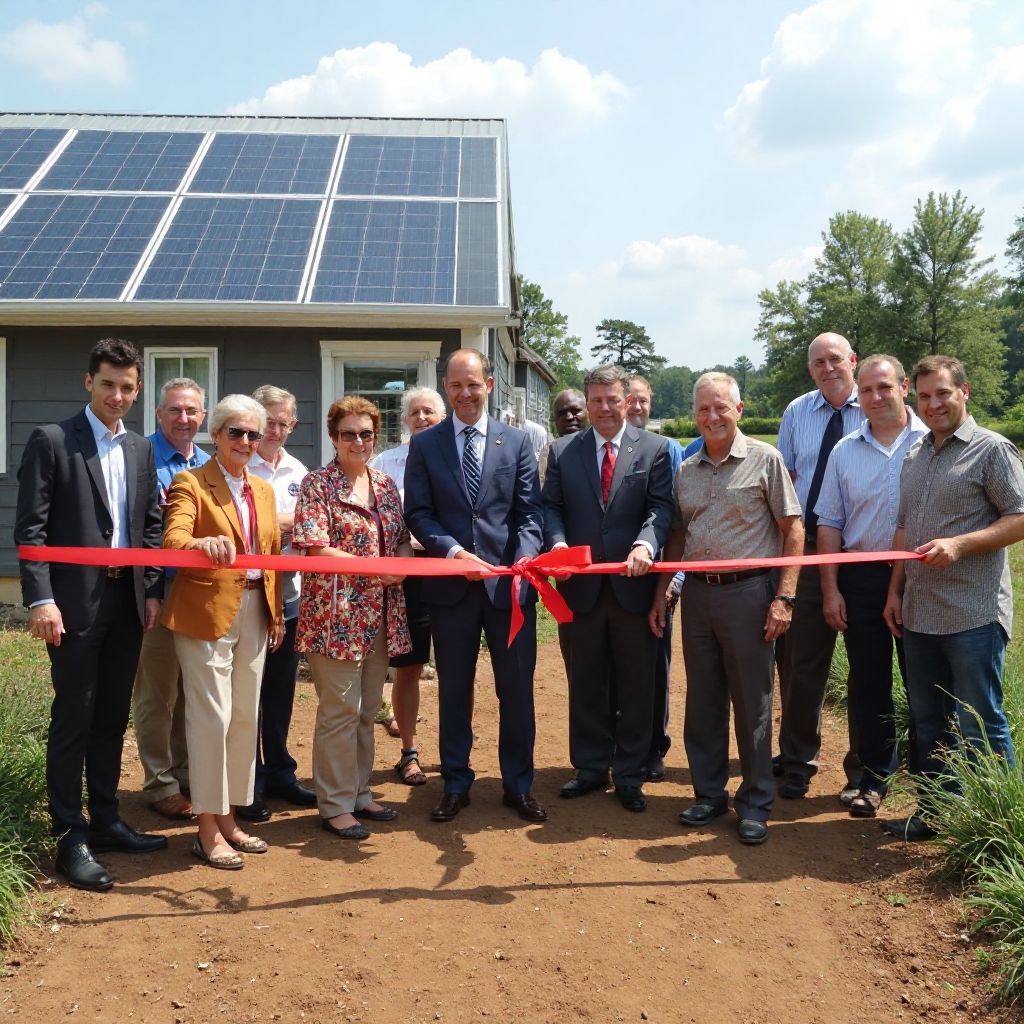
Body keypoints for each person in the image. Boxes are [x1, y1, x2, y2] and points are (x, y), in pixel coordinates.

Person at [15, 338, 167, 892]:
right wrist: (41, 598)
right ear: (89, 382)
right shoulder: (53, 441)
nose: (118, 396)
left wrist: (151, 590)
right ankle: (69, 835)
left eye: (128, 387)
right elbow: (30, 530)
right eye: (108, 384)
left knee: (110, 717)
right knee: (74, 718)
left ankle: (105, 819)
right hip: (73, 605)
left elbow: (149, 527)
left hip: (126, 604)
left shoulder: (141, 450)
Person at [652, 372, 803, 845]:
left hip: (750, 595)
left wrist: (784, 596)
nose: (712, 417)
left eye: (721, 408)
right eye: (703, 409)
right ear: (693, 415)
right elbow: (677, 536)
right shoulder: (686, 469)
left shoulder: (765, 459)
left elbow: (793, 529)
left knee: (752, 702)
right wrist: (663, 594)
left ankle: (755, 801)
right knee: (703, 700)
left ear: (739, 409)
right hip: (697, 596)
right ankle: (709, 793)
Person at [882, 355, 1024, 840]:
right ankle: (939, 814)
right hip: (920, 613)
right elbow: (905, 527)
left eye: (942, 393)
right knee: (928, 720)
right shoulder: (917, 453)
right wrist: (895, 591)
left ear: (964, 392)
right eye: (923, 396)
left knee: (980, 719)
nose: (933, 404)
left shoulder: (992, 450)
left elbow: (1020, 517)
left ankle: (998, 826)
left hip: (972, 613)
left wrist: (960, 545)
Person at [404, 348, 547, 824]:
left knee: (516, 690)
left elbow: (529, 513)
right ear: (446, 387)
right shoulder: (426, 445)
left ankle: (518, 785)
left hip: (509, 590)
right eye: (456, 385)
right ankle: (456, 784)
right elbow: (418, 513)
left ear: (490, 385)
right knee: (454, 690)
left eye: (474, 384)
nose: (465, 393)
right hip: (451, 591)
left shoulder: (518, 442)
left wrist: (525, 556)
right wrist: (451, 552)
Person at [542, 363, 674, 813]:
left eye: (612, 399)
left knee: (638, 683)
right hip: (581, 589)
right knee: (587, 680)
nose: (603, 408)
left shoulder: (654, 449)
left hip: (633, 587)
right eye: (595, 400)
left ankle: (631, 773)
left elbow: (660, 508)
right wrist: (558, 547)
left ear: (625, 399)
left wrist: (645, 544)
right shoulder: (563, 451)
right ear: (587, 400)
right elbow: (552, 509)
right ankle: (591, 766)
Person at [162, 395, 284, 870]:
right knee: (212, 720)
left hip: (255, 611)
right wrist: (200, 542)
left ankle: (231, 819)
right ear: (215, 435)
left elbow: (269, 554)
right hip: (205, 614)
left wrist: (274, 615)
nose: (246, 442)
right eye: (236, 432)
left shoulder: (265, 490)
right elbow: (172, 538)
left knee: (243, 721)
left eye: (254, 434)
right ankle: (207, 829)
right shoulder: (190, 481)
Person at [292, 397, 412, 840]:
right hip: (336, 615)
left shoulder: (384, 485)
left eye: (365, 433)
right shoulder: (317, 484)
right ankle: (335, 803)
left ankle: (361, 791)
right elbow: (315, 546)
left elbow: (400, 539)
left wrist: (398, 565)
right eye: (348, 434)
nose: (358, 441)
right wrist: (375, 567)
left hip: (381, 614)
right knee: (340, 711)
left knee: (366, 710)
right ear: (333, 438)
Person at [814, 355, 926, 818]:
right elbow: (830, 524)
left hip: (923, 578)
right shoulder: (845, 450)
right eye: (867, 390)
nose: (875, 397)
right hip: (860, 578)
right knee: (869, 681)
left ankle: (929, 786)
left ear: (904, 387)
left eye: (884, 387)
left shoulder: (932, 443)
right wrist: (830, 589)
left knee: (923, 681)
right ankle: (873, 777)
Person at [775, 331, 865, 802]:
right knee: (801, 662)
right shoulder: (796, 412)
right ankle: (797, 759)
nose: (828, 368)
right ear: (810, 369)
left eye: (835, 359)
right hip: (809, 547)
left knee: (865, 666)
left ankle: (863, 767)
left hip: (865, 550)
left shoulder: (874, 404)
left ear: (852, 360)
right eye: (818, 362)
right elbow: (786, 481)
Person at [236, 385, 316, 824]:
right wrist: (279, 524)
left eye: (285, 422)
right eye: (269, 421)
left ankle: (281, 769)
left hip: (289, 597)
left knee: (281, 690)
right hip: (246, 598)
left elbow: (306, 531)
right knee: (246, 693)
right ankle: (250, 781)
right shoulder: (239, 469)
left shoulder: (299, 472)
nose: (276, 430)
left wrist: (288, 527)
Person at [132, 377, 209, 821]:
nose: (184, 419)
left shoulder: (206, 463)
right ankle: (159, 782)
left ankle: (184, 773)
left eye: (192, 411)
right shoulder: (141, 457)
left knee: (188, 690)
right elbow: (140, 532)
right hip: (158, 592)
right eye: (175, 410)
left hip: (198, 593)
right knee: (157, 693)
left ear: (202, 417)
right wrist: (149, 591)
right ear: (159, 414)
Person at [369, 386, 447, 787]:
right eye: (414, 412)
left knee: (455, 666)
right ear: (405, 420)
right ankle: (409, 753)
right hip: (404, 573)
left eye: (429, 411)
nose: (422, 418)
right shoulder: (386, 462)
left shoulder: (454, 455)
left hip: (448, 569)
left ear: (443, 415)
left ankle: (454, 752)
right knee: (409, 666)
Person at [625, 374, 685, 783]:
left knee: (655, 669)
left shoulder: (669, 450)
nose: (636, 408)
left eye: (643, 401)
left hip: (658, 579)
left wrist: (673, 581)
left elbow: (676, 519)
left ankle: (653, 748)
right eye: (629, 400)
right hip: (613, 582)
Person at [538, 389, 587, 483]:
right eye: (561, 413)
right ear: (555, 420)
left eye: (575, 411)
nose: (569, 417)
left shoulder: (605, 447)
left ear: (589, 412)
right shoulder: (549, 453)